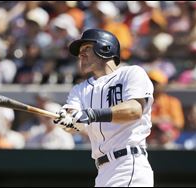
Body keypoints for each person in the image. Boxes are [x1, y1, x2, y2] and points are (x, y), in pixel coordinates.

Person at [53, 29, 154, 187]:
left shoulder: (131, 73)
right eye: (79, 52)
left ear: (105, 48)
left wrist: (91, 114)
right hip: (103, 171)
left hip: (128, 163)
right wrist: (67, 120)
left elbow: (134, 110)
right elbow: (73, 120)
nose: (81, 55)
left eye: (86, 48)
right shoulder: (79, 90)